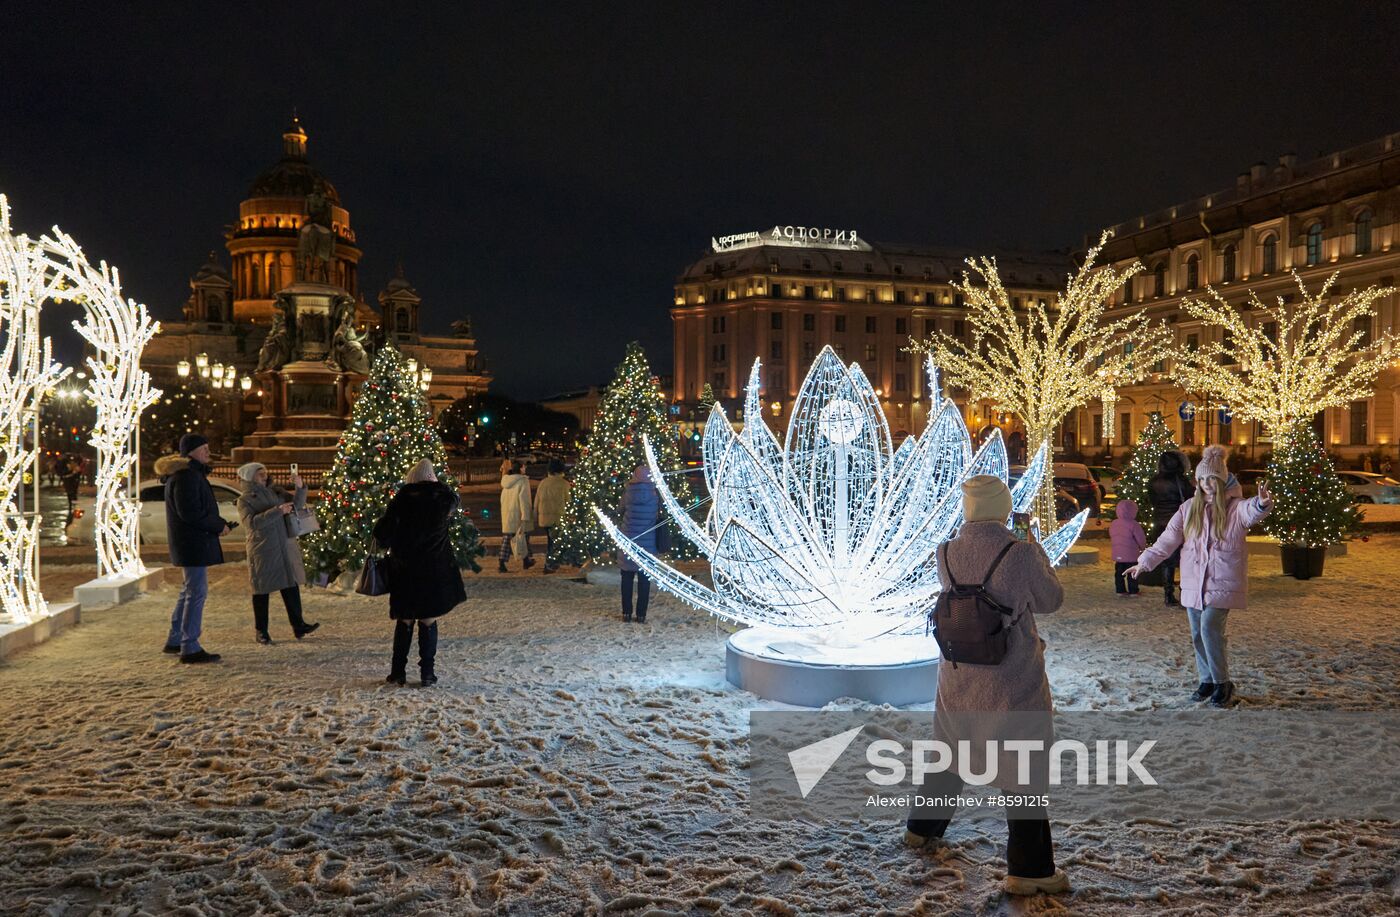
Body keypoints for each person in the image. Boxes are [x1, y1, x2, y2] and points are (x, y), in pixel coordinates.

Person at [904, 475, 1068, 896]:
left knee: (952, 749)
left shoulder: (945, 552)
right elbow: (1051, 600)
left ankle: (921, 829)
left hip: (958, 673)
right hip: (1010, 680)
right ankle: (1029, 871)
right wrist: (1036, 548)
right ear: (1003, 506)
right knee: (1022, 767)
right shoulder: (1020, 553)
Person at [1127, 445, 1273, 708]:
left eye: (1212, 479)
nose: (1207, 484)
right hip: (1194, 584)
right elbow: (1167, 540)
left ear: (1222, 479)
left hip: (1222, 583)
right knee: (1197, 633)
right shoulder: (1188, 509)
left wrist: (1261, 503)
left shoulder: (1234, 508)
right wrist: (1144, 563)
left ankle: (1222, 683)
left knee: (1209, 629)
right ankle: (1206, 680)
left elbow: (1251, 512)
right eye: (1202, 479)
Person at [372, 459, 466, 686]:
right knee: (428, 620)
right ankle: (427, 673)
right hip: (434, 571)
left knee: (404, 620)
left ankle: (398, 672)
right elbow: (454, 498)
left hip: (405, 571)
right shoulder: (444, 501)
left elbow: (382, 535)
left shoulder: (401, 500)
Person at [156, 434, 230, 664]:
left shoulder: (187, 474)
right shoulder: (187, 476)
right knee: (196, 593)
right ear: (191, 452)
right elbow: (190, 513)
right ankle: (189, 646)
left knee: (189, 590)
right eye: (204, 448)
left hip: (190, 542)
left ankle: (176, 639)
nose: (208, 452)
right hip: (192, 543)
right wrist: (218, 526)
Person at [235, 463, 319, 645]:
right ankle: (261, 631)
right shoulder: (245, 499)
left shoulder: (276, 491)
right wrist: (277, 511)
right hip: (264, 548)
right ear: (250, 477)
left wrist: (300, 486)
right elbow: (251, 523)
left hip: (284, 544)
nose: (264, 476)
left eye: (265, 472)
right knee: (261, 589)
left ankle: (299, 625)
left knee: (290, 584)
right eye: (259, 474)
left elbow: (297, 505)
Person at [1147, 450, 1194, 606]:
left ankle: (1168, 595)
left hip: (1160, 523)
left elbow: (1152, 501)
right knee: (1185, 560)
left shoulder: (1154, 481)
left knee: (1167, 561)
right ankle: (1184, 593)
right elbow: (1191, 500)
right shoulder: (1182, 481)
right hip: (1179, 523)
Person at [618, 465, 660, 623]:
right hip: (647, 544)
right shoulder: (654, 494)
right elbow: (657, 515)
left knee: (626, 579)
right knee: (644, 581)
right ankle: (641, 614)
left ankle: (626, 613)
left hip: (629, 541)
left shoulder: (627, 493)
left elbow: (620, 510)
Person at [534, 459, 572, 573]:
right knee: (554, 542)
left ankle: (552, 563)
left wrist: (535, 514)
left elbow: (537, 500)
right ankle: (549, 564)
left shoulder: (543, 483)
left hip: (544, 517)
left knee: (551, 540)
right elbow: (569, 501)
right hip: (558, 517)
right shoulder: (564, 484)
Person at [498, 459, 536, 572]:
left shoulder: (506, 482)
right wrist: (525, 516)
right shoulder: (523, 481)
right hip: (518, 514)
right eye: (524, 467)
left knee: (509, 538)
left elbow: (503, 499)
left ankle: (521, 561)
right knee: (522, 537)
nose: (525, 468)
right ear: (520, 468)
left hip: (508, 514)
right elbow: (524, 500)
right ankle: (523, 561)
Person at [1109, 498, 1147, 597]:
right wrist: (1143, 547)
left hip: (1118, 554)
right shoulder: (1134, 524)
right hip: (1131, 555)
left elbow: (1112, 535)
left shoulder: (1114, 523)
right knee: (1132, 573)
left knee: (1119, 573)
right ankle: (1133, 590)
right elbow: (1140, 538)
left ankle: (1120, 590)